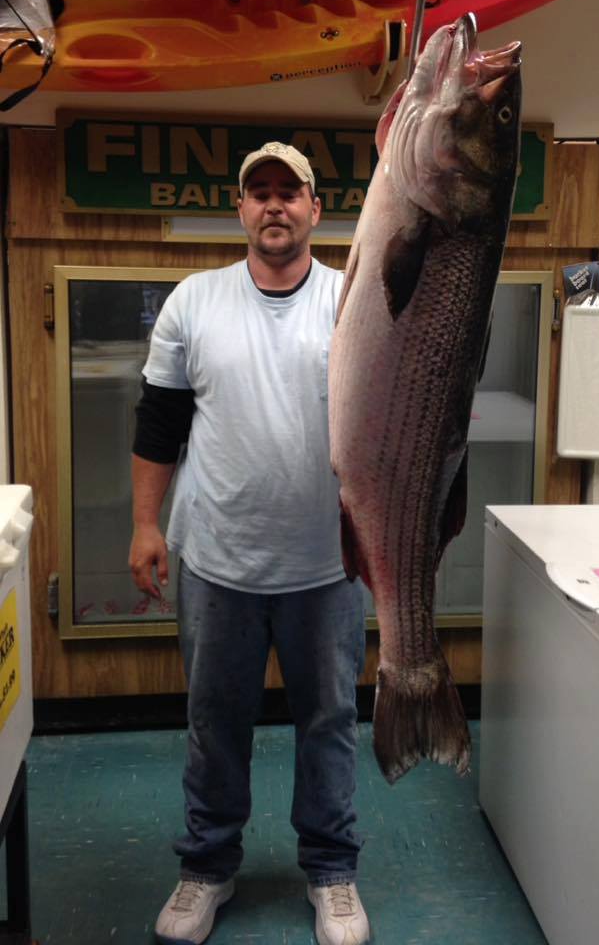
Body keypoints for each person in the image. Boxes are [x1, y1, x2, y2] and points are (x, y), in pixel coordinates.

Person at [129, 141, 371, 945]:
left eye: (289, 192)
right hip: (217, 560)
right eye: (258, 192)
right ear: (239, 209)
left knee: (330, 721)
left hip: (329, 564)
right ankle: (207, 867)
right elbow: (159, 425)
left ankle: (332, 872)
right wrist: (143, 523)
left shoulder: (353, 300)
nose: (274, 205)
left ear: (315, 209)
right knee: (215, 720)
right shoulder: (194, 302)